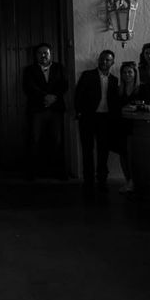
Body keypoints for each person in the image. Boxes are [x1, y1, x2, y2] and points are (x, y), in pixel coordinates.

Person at [22, 42, 69, 180]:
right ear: (36, 55)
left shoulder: (60, 67)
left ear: (50, 54)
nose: (43, 55)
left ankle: (59, 172)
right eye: (40, 53)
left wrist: (54, 97)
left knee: (57, 140)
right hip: (37, 109)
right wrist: (45, 97)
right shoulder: (29, 70)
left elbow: (64, 85)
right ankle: (33, 173)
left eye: (46, 53)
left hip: (56, 109)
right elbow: (29, 87)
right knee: (34, 140)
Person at [75, 50, 119, 192]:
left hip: (105, 119)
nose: (104, 62)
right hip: (88, 117)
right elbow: (78, 95)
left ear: (112, 62)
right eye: (102, 59)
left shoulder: (114, 80)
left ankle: (102, 178)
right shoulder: (88, 75)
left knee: (103, 150)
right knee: (87, 149)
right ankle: (88, 179)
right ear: (98, 60)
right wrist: (79, 112)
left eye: (108, 60)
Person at [114, 61, 146, 194]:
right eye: (124, 72)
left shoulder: (143, 88)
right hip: (121, 126)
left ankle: (135, 181)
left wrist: (135, 108)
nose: (127, 75)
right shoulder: (118, 89)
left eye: (130, 72)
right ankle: (128, 181)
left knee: (133, 154)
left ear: (135, 74)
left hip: (136, 126)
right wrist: (121, 109)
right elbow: (114, 107)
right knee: (123, 154)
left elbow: (148, 106)